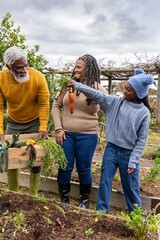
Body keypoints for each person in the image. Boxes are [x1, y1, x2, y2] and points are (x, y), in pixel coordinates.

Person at [68, 68, 153, 214]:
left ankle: (137, 219)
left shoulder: (143, 113)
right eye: (125, 88)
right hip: (111, 149)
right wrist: (77, 85)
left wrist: (134, 160)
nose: (124, 91)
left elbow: (142, 140)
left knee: (130, 187)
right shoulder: (115, 102)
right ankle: (101, 214)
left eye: (128, 90)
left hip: (129, 153)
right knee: (105, 182)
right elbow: (96, 94)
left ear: (138, 93)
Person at [52, 54, 108, 209]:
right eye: (75, 67)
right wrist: (58, 129)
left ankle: (84, 200)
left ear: (89, 70)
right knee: (64, 166)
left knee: (83, 168)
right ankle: (64, 199)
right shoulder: (67, 85)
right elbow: (56, 106)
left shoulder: (98, 89)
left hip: (88, 136)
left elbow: (110, 108)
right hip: (66, 135)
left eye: (79, 67)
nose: (75, 70)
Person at [0, 46, 49, 196]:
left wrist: (42, 128)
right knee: (12, 157)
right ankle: (13, 193)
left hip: (34, 122)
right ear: (9, 67)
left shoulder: (38, 77)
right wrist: (0, 131)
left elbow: (44, 103)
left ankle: (33, 194)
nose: (24, 70)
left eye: (26, 65)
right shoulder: (1, 79)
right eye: (19, 67)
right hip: (14, 123)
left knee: (36, 157)